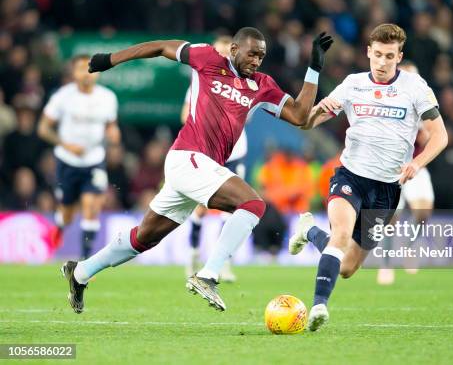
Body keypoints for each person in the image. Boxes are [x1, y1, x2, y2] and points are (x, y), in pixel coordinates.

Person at [60, 27, 333, 314]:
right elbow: (161, 45)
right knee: (252, 204)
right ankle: (208, 275)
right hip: (188, 157)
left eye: (261, 56)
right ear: (235, 50)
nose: (256, 61)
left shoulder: (262, 85)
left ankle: (80, 273)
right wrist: (110, 59)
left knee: (145, 237)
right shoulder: (208, 59)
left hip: (200, 168)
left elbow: (301, 116)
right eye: (252, 54)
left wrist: (314, 67)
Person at [290, 24, 448, 331]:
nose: (383, 62)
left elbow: (440, 136)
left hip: (387, 191)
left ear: (399, 56)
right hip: (350, 177)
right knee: (340, 236)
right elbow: (305, 124)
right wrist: (319, 105)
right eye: (377, 55)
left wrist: (417, 162)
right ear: (368, 53)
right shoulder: (352, 84)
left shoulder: (416, 87)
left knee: (348, 267)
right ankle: (319, 306)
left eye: (390, 56)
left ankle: (309, 230)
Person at [38, 54, 120, 259]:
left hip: (94, 161)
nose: (87, 73)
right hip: (67, 161)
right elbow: (43, 128)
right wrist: (66, 145)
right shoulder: (62, 97)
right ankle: (59, 225)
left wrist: (113, 134)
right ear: (73, 73)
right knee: (67, 212)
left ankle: (85, 261)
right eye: (81, 69)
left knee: (91, 206)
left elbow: (111, 127)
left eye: (91, 68)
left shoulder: (108, 97)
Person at [182, 35, 240, 281]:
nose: (225, 55)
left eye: (229, 51)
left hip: (236, 153)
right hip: (208, 153)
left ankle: (222, 264)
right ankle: (193, 253)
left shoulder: (244, 82)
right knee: (202, 207)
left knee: (234, 209)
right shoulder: (203, 81)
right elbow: (185, 114)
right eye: (220, 51)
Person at [377, 61, 435, 285]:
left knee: (423, 213)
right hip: (393, 168)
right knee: (391, 218)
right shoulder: (388, 101)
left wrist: (426, 137)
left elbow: (434, 132)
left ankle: (410, 248)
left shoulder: (424, 102)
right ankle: (386, 264)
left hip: (417, 166)